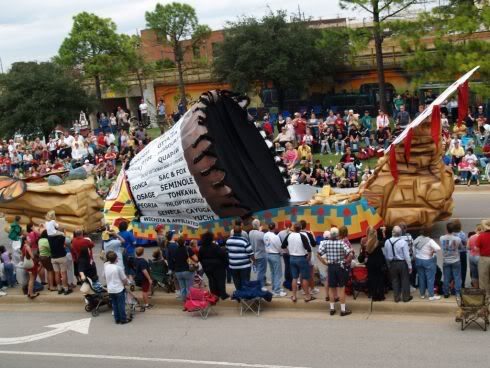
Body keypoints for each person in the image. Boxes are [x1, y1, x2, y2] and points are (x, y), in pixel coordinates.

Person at [317, 227, 352, 315]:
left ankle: (332, 309)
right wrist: (346, 261)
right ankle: (343, 310)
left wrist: (324, 262)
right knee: (342, 288)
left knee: (332, 289)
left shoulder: (326, 243)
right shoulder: (341, 243)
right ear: (337, 234)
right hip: (340, 266)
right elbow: (350, 253)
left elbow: (318, 254)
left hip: (331, 267)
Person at [281, 223, 314, 303]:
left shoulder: (289, 235)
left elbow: (283, 246)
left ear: (293, 228)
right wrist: (309, 257)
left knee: (294, 278)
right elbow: (309, 248)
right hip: (302, 258)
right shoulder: (302, 236)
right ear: (300, 229)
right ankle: (307, 296)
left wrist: (288, 252)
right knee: (305, 277)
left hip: (292, 258)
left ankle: (294, 296)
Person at [383, 226, 412, 303]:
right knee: (404, 280)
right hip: (402, 263)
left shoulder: (387, 242)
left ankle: (396, 297)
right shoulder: (403, 242)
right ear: (400, 233)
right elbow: (407, 256)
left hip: (392, 263)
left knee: (395, 280)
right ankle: (406, 297)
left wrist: (388, 263)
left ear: (392, 232)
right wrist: (409, 266)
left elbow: (386, 254)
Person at [198, 232, 229, 300]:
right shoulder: (215, 246)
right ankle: (222, 294)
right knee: (220, 280)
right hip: (218, 266)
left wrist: (204, 264)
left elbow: (199, 258)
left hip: (207, 267)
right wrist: (225, 263)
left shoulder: (202, 248)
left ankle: (214, 294)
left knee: (211, 280)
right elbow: (222, 255)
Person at [413, 228, 441, 300]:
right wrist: (432, 251)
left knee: (421, 278)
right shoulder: (430, 240)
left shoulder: (417, 239)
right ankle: (431, 295)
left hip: (419, 260)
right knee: (430, 279)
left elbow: (413, 249)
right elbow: (438, 248)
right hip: (428, 261)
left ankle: (422, 294)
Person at [104, 251, 131, 324]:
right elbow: (124, 279)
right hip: (118, 289)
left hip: (110, 289)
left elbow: (104, 276)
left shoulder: (106, 267)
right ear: (116, 258)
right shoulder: (118, 268)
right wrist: (127, 283)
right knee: (121, 305)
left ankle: (117, 319)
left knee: (114, 304)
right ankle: (123, 319)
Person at [226, 223, 254, 290]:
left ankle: (239, 295)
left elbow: (227, 251)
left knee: (236, 282)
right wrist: (255, 261)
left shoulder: (228, 240)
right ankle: (245, 296)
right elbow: (250, 253)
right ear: (241, 231)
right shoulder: (244, 240)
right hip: (244, 266)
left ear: (233, 232)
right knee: (245, 282)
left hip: (233, 266)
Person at [440, 222, 464, 299]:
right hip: (455, 260)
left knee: (446, 277)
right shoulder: (458, 239)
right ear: (453, 230)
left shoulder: (442, 238)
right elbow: (461, 248)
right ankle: (457, 293)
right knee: (457, 277)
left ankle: (446, 293)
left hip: (446, 260)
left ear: (446, 229)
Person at [263, 222, 286, 297]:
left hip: (268, 254)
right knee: (277, 273)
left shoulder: (265, 235)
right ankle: (277, 291)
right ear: (274, 227)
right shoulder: (275, 237)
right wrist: (282, 253)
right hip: (275, 255)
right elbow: (279, 247)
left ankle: (274, 288)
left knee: (273, 272)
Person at [363, 227, 386, 301]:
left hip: (370, 263)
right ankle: (381, 296)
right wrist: (383, 233)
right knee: (380, 279)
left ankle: (374, 296)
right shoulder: (378, 243)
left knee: (372, 280)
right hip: (378, 263)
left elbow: (364, 254)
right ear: (375, 233)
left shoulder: (366, 244)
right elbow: (384, 242)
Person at [249, 219, 267, 290]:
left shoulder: (250, 232)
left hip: (254, 254)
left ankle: (264, 281)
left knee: (260, 270)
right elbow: (265, 241)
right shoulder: (261, 234)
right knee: (261, 271)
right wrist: (260, 231)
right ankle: (261, 286)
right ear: (258, 225)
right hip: (261, 255)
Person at [452, 219, 468, 288]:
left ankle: (454, 283)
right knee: (463, 268)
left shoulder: (451, 234)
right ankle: (462, 283)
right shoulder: (462, 233)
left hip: (454, 253)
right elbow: (465, 243)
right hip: (462, 253)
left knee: (454, 269)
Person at [476, 219, 490, 297]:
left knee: (484, 281)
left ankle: (486, 302)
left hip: (484, 259)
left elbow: (476, 248)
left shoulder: (481, 236)